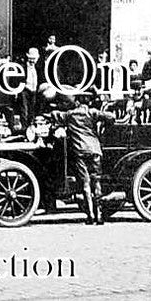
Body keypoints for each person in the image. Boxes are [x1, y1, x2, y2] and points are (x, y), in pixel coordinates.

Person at [49, 91, 115, 225]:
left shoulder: (70, 115)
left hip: (79, 151)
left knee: (85, 183)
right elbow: (111, 117)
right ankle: (100, 216)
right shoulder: (92, 112)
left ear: (77, 101)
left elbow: (55, 115)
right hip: (95, 150)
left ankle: (90, 215)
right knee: (96, 181)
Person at [16, 47, 43, 126]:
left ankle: (31, 127)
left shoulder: (38, 68)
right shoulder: (23, 67)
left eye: (34, 59)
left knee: (33, 109)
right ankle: (24, 127)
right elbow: (18, 80)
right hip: (25, 90)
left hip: (34, 90)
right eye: (30, 58)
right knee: (24, 109)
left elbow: (40, 79)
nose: (32, 61)